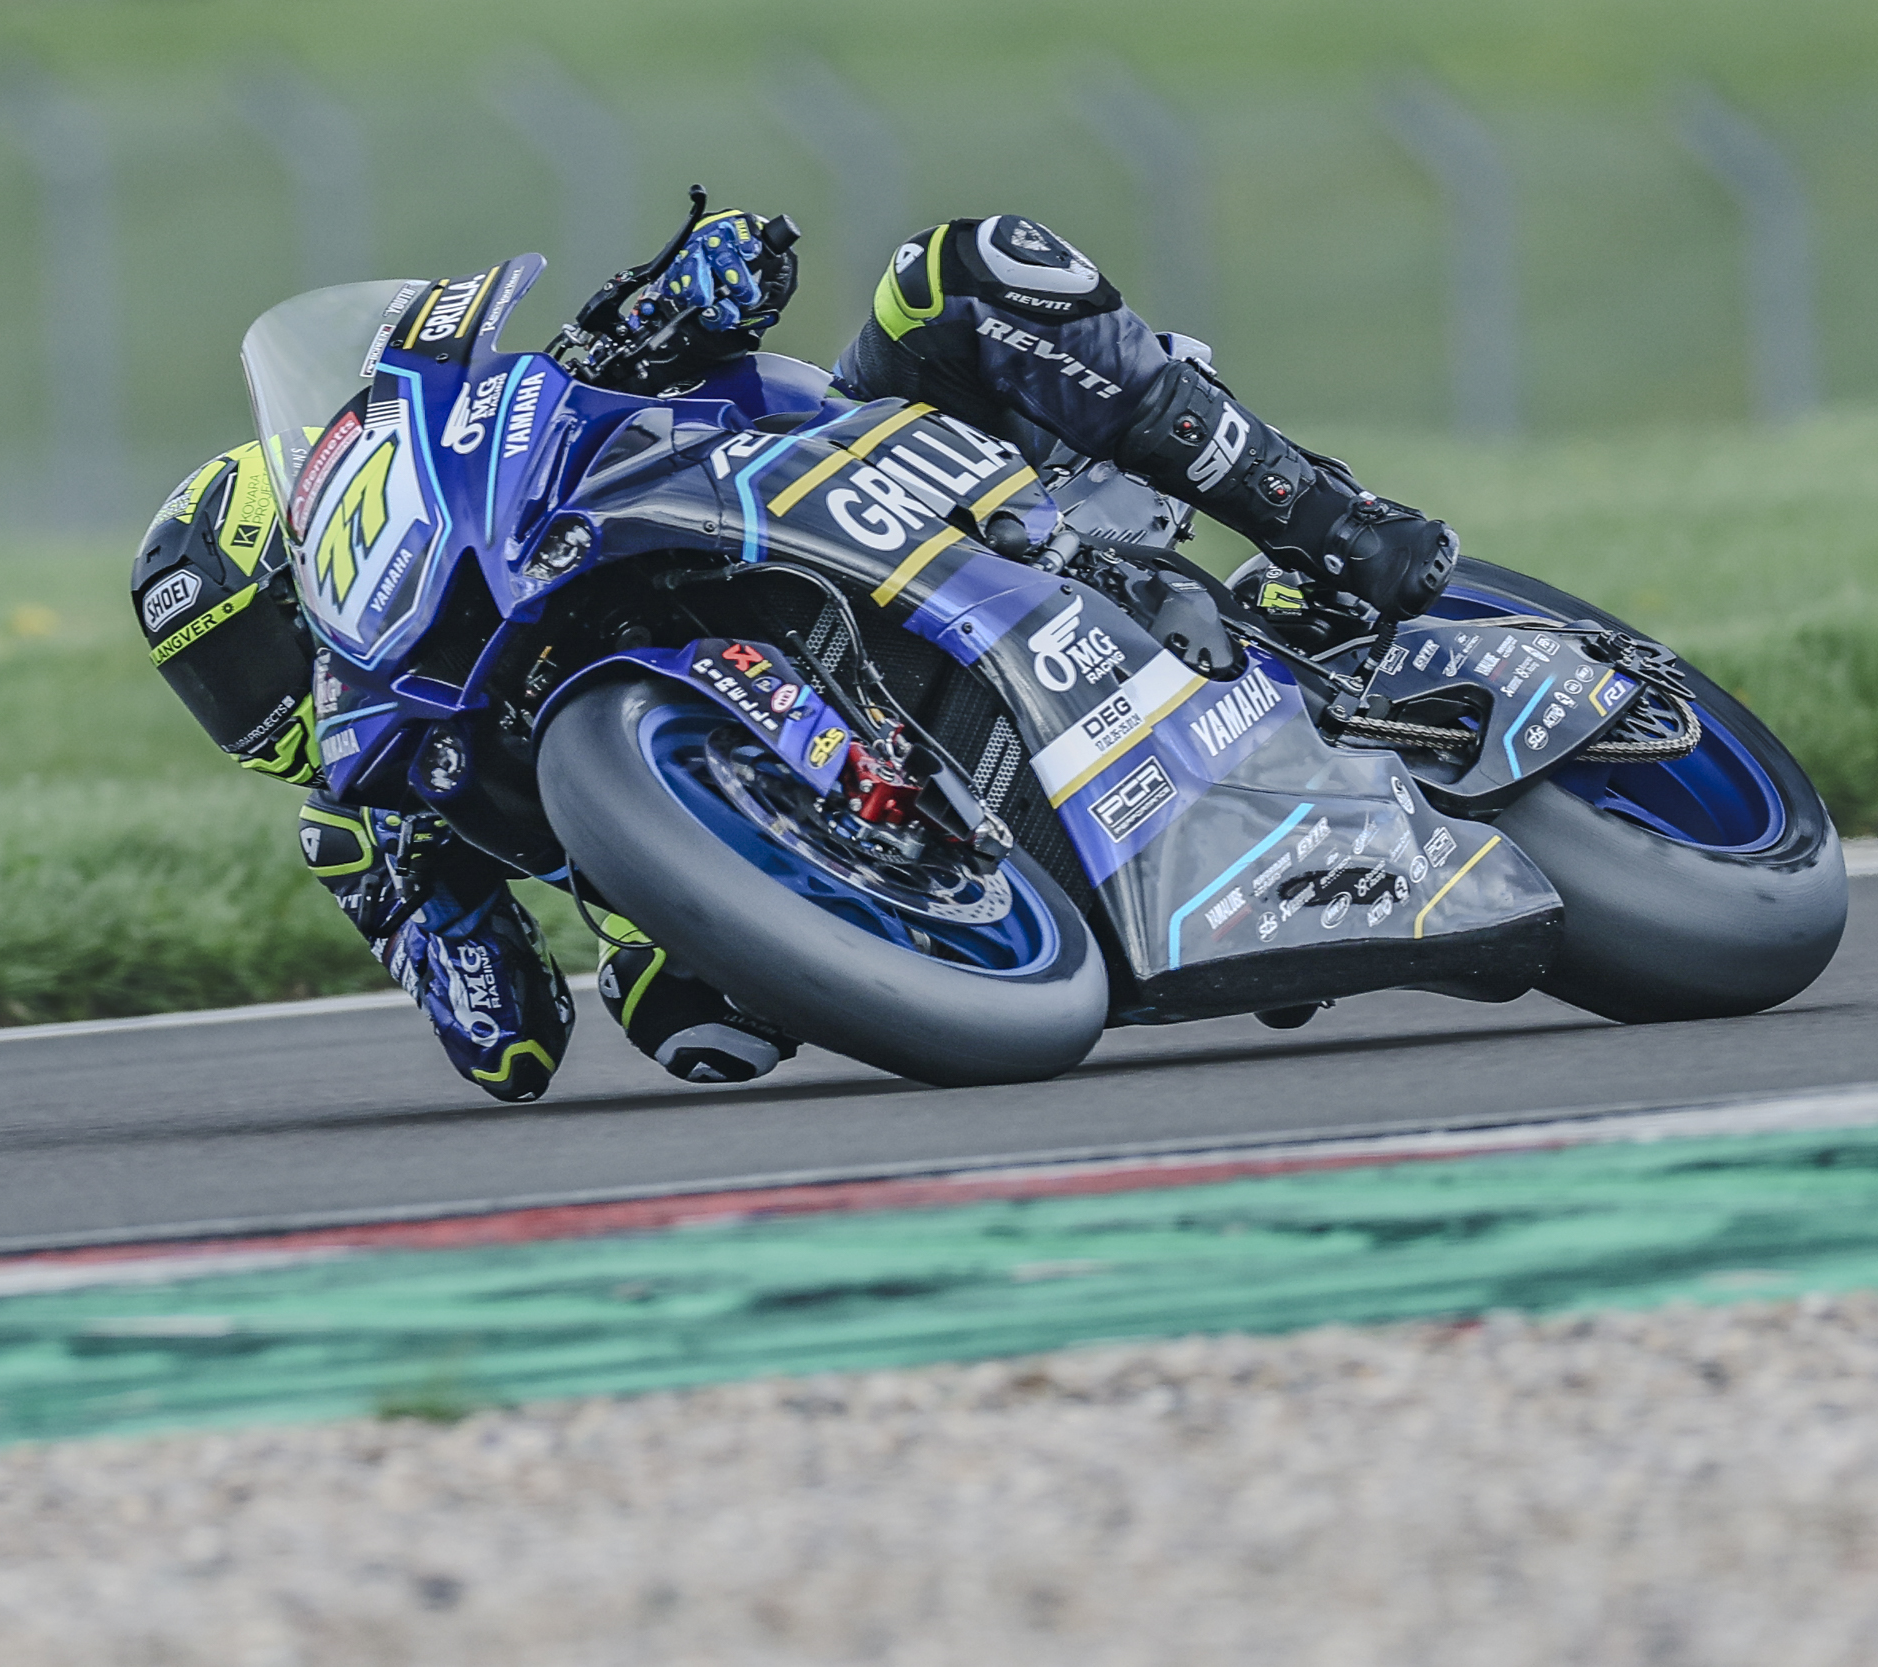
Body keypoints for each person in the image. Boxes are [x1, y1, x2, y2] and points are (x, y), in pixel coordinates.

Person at [130, 205, 1456, 1102]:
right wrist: (420, 913)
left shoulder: (506, 462)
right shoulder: (404, 799)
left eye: (253, 650)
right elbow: (513, 1050)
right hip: (870, 857)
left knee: (970, 266)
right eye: (218, 691)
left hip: (914, 497)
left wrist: (681, 291)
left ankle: (1341, 527)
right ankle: (923, 880)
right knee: (684, 1019)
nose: (255, 708)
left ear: (316, 561)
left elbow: (719, 288)